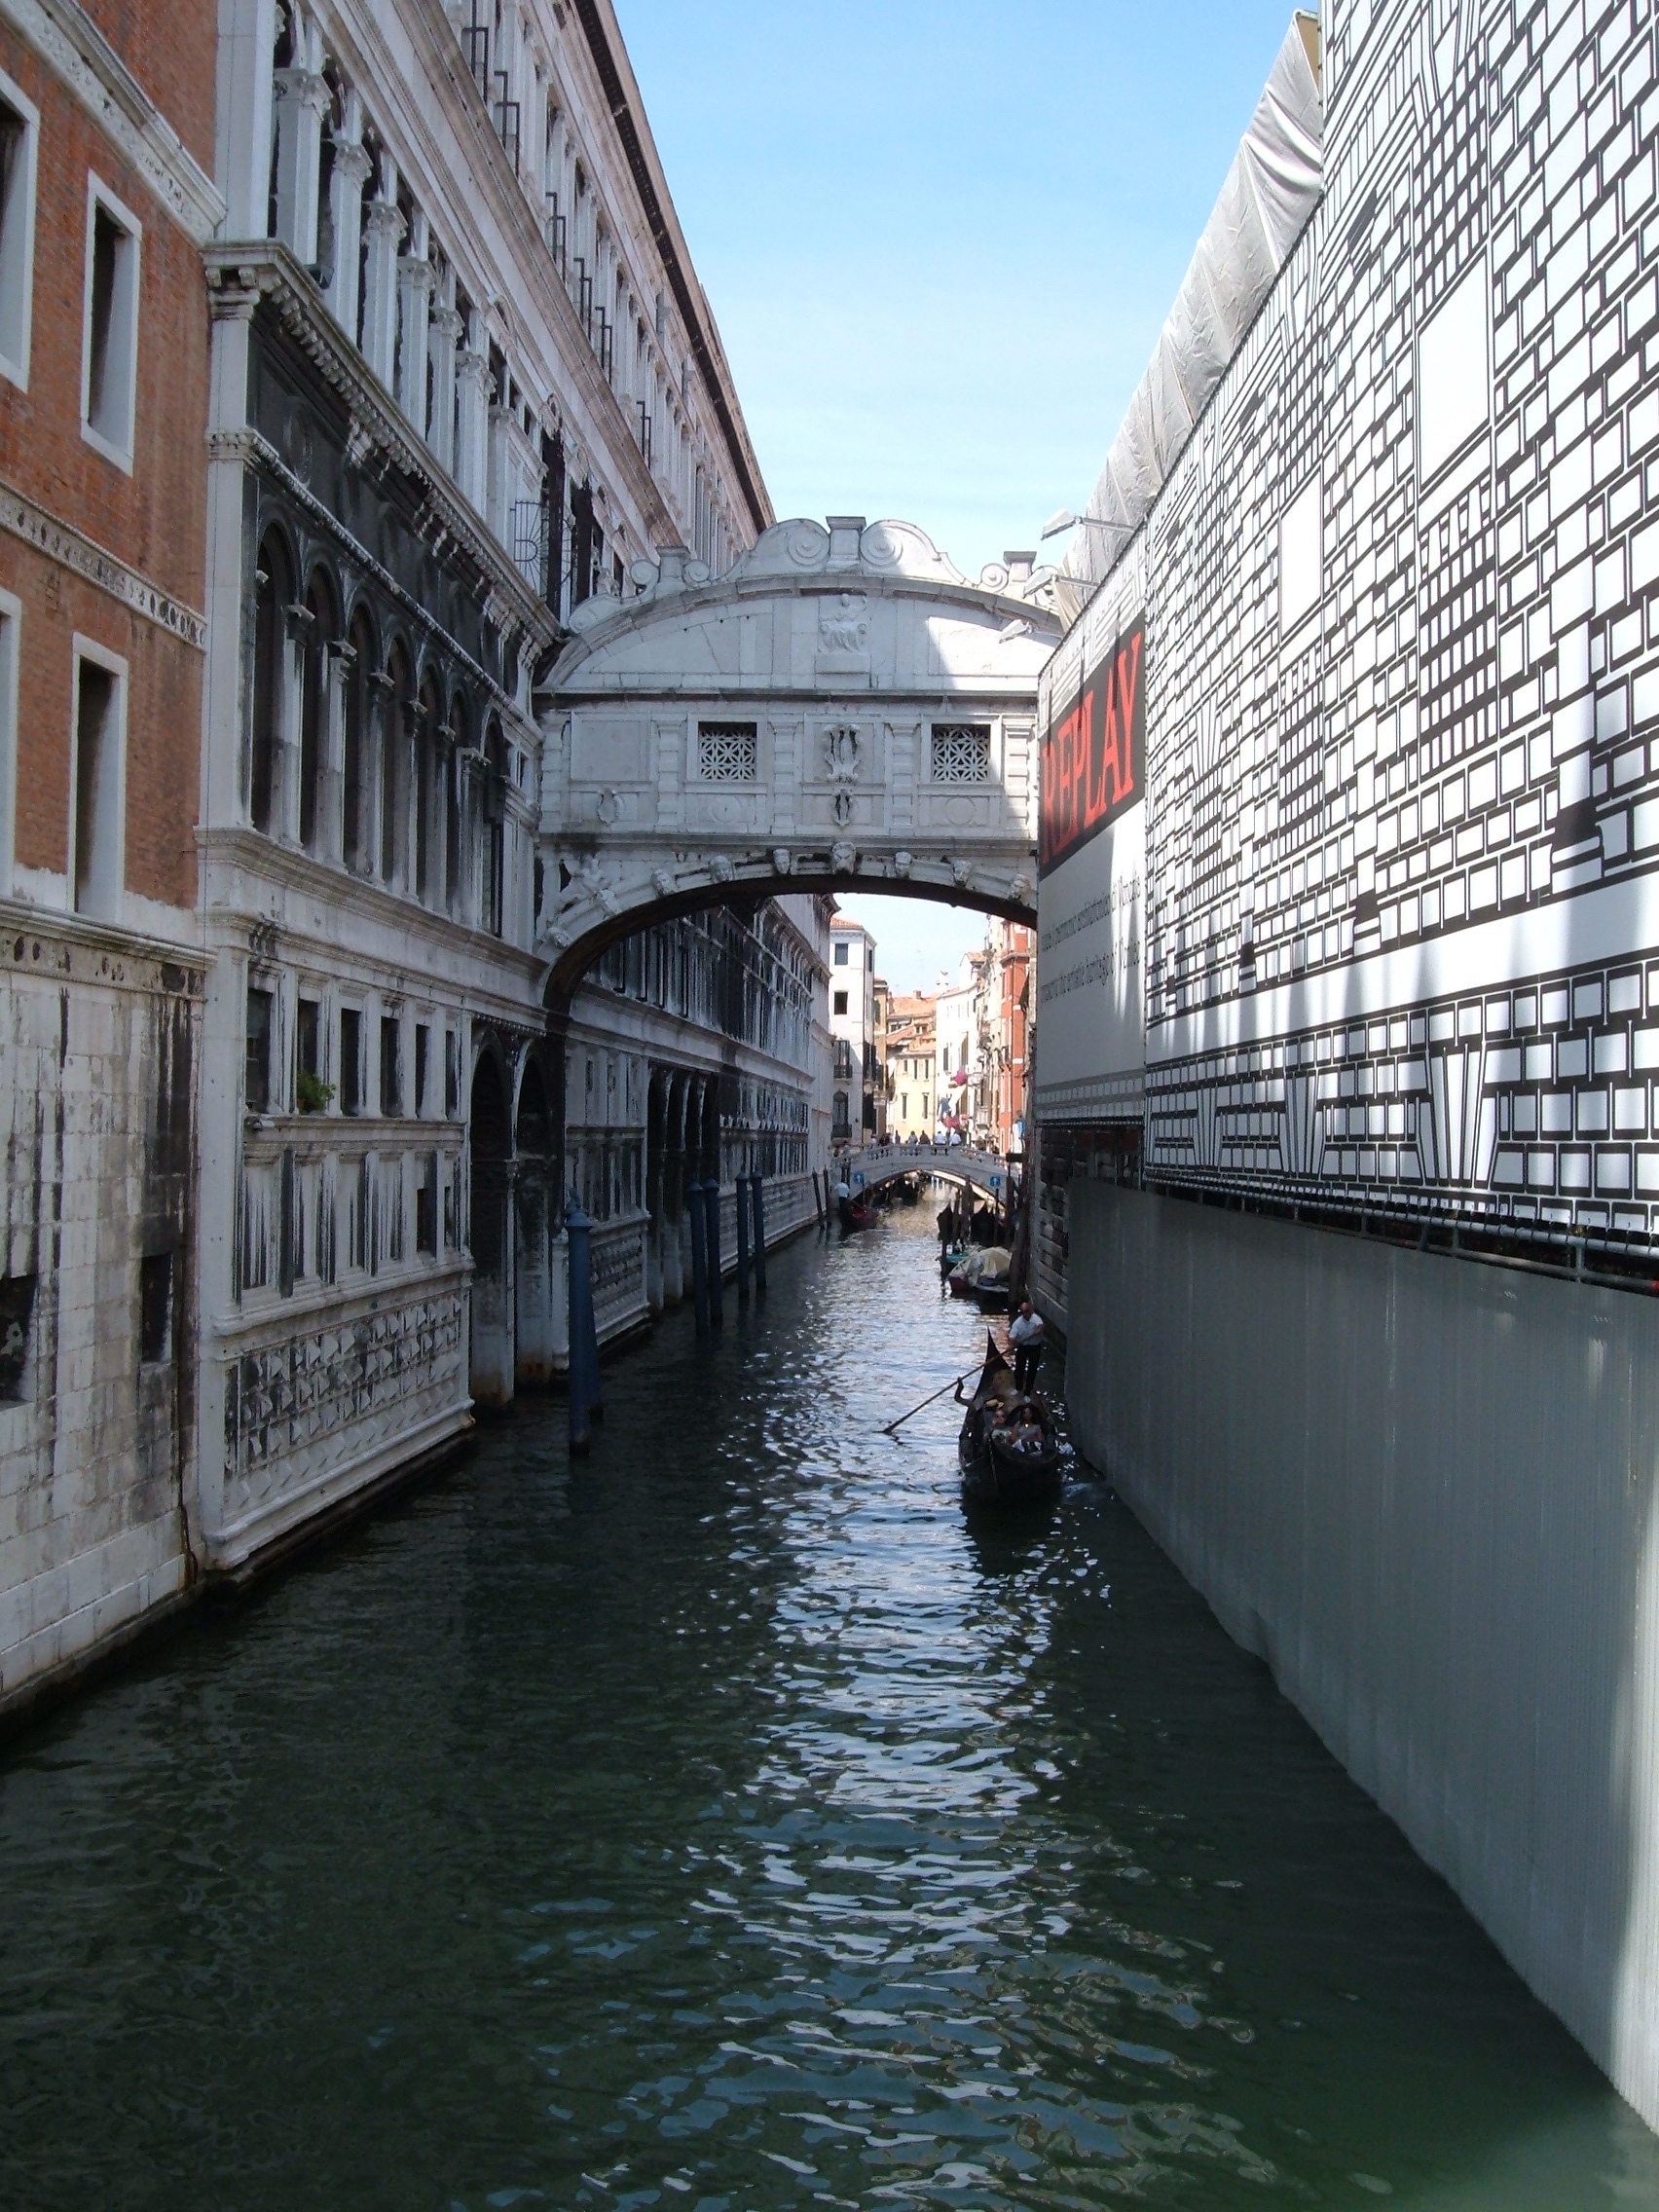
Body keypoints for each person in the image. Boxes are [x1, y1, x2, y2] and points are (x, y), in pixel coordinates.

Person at [1009, 1298, 1045, 1393]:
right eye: (1024, 1312)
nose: (1026, 1313)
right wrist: (1011, 1345)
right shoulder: (1017, 1323)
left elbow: (1040, 1325)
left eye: (1028, 1311)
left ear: (1030, 1311)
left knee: (1032, 1370)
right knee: (1019, 1369)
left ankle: (1028, 1392)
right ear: (1022, 1313)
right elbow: (1012, 1337)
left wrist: (1038, 1330)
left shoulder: (1035, 1318)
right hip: (1023, 1346)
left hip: (1035, 1347)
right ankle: (1018, 1388)